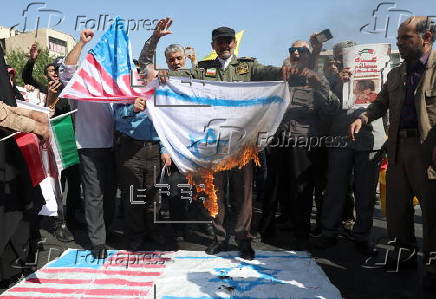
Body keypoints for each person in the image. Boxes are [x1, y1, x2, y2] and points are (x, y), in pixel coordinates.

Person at [163, 26, 294, 260]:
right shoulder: (204, 69)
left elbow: (271, 73)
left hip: (242, 144)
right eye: (220, 42)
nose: (225, 46)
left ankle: (244, 239)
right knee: (217, 194)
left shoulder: (248, 66)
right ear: (213, 46)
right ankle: (219, 238)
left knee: (243, 195)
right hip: (216, 146)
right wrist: (162, 74)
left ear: (234, 44)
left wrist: (286, 69)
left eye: (228, 42)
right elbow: (183, 76)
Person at [349, 16, 436, 290]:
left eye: (406, 38)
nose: (399, 43)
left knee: (433, 213)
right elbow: (381, 102)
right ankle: (403, 256)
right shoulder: (396, 73)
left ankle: (433, 269)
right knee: (396, 209)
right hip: (397, 148)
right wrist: (363, 117)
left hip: (429, 150)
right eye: (398, 38)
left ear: (426, 38)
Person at [259, 39, 340, 249]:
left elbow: (332, 108)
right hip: (277, 137)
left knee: (301, 187)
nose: (296, 53)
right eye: (292, 50)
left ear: (307, 54)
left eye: (301, 50)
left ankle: (301, 232)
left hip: (303, 139)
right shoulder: (282, 75)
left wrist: (319, 85)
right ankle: (265, 229)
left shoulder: (317, 78)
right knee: (272, 184)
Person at [316, 41, 386, 256]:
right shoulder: (331, 79)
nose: (339, 61)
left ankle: (363, 235)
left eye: (343, 57)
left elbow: (385, 104)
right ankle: (329, 232)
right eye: (337, 58)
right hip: (339, 138)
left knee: (365, 191)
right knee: (335, 189)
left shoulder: (381, 70)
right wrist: (336, 82)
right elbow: (326, 109)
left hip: (371, 138)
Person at [59, 29, 116, 259]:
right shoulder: (78, 83)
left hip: (114, 146)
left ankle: (107, 232)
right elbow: (67, 68)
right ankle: (98, 242)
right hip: (89, 146)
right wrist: (81, 43)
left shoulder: (113, 82)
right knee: (93, 195)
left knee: (110, 194)